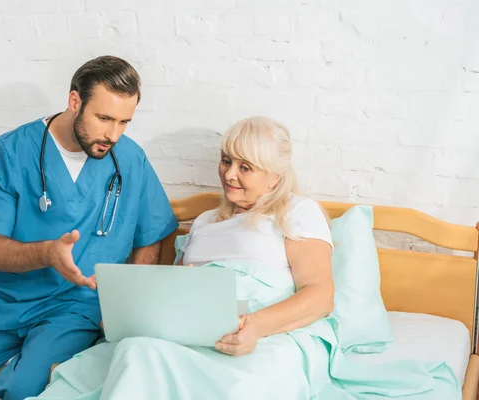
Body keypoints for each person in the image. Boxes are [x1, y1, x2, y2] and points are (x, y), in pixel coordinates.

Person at [31, 116, 459, 400]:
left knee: (247, 385)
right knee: (138, 352)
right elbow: (174, 295)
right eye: (225, 160)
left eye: (245, 167)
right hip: (193, 336)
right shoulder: (202, 223)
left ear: (275, 176)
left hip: (270, 335)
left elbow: (319, 295)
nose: (229, 174)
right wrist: (130, 317)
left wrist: (255, 328)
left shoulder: (297, 211)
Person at [0, 55, 178, 400]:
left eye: (124, 122)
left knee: (20, 389)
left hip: (76, 306)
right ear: (75, 101)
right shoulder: (10, 151)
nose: (113, 134)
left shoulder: (129, 159)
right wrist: (48, 254)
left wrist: (126, 310)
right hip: (1, 298)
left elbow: (152, 234)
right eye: (103, 118)